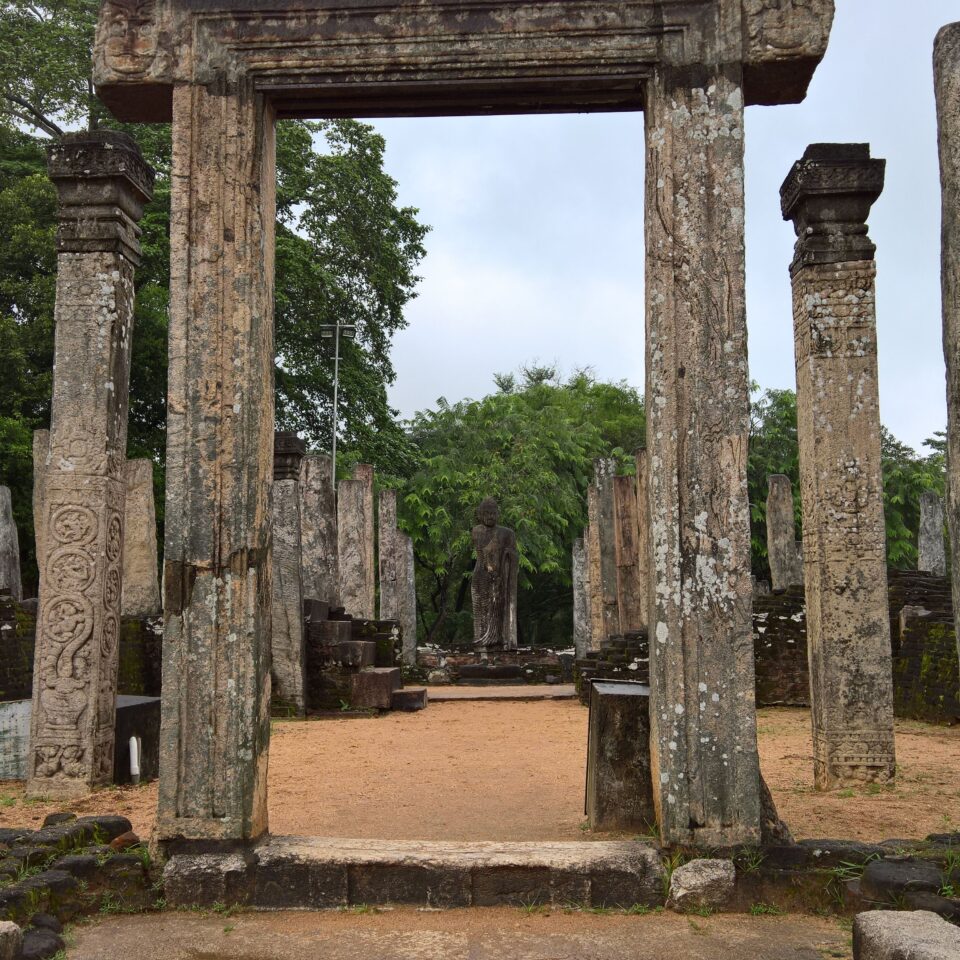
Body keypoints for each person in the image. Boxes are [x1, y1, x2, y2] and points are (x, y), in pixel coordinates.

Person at [471, 497, 518, 650]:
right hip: (481, 574)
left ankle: (499, 639)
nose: (490, 516)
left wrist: (507, 557)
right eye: (486, 513)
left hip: (499, 576)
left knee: (497, 606)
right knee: (480, 608)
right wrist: (487, 567)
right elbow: (480, 554)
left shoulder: (507, 533)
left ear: (498, 514)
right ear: (480, 514)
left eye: (493, 513)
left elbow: (513, 555)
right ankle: (480, 638)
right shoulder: (476, 531)